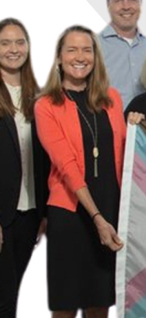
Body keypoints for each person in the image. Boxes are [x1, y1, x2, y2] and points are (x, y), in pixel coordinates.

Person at [34, 25, 125, 318]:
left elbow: (125, 152)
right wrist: (96, 217)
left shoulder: (112, 98)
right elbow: (66, 166)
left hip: (111, 210)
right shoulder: (46, 105)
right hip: (72, 215)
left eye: (87, 50)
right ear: (59, 58)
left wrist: (135, 123)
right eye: (71, 49)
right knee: (66, 305)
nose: (80, 56)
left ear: (95, 57)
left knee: (100, 302)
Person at [0, 18, 49, 318]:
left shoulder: (39, 96)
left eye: (19, 42)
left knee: (11, 293)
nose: (13, 49)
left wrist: (42, 212)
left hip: (29, 214)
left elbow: (43, 159)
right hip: (2, 215)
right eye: (5, 43)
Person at [98, 0, 146, 107]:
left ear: (140, 4)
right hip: (108, 124)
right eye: (118, 0)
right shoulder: (92, 46)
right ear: (108, 5)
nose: (126, 6)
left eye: (132, 0)